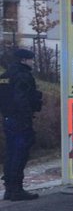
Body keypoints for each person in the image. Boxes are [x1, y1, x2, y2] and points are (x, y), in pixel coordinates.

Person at [1, 48, 43, 201]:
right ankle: (17, 190)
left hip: (8, 119)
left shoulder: (5, 76)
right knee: (20, 153)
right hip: (20, 121)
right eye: (31, 59)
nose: (32, 62)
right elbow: (21, 99)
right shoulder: (23, 76)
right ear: (23, 60)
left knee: (11, 153)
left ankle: (9, 189)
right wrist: (26, 120)